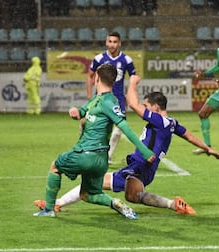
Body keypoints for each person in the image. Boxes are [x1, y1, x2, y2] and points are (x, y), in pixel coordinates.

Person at [35, 75, 219, 215]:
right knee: (115, 189)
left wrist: (132, 82)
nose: (146, 108)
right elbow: (189, 135)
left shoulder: (158, 119)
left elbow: (133, 104)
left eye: (148, 106)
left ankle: (173, 204)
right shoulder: (171, 123)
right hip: (140, 167)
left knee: (125, 194)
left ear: (156, 107)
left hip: (141, 166)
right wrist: (207, 148)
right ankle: (58, 203)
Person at [33, 64, 155, 219]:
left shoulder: (107, 102)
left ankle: (49, 209)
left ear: (96, 78)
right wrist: (75, 112)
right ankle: (115, 203)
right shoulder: (101, 99)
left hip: (86, 154)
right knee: (88, 194)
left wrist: (145, 151)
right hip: (100, 160)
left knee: (55, 167)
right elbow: (82, 112)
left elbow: (125, 127)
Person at [86, 31, 136, 164]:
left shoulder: (126, 60)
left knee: (119, 130)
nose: (112, 45)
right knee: (95, 126)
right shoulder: (99, 59)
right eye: (110, 41)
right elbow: (89, 75)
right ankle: (91, 150)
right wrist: (90, 95)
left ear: (119, 43)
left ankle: (108, 156)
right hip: (101, 98)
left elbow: (134, 77)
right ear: (106, 42)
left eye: (115, 42)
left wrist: (130, 94)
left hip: (118, 98)